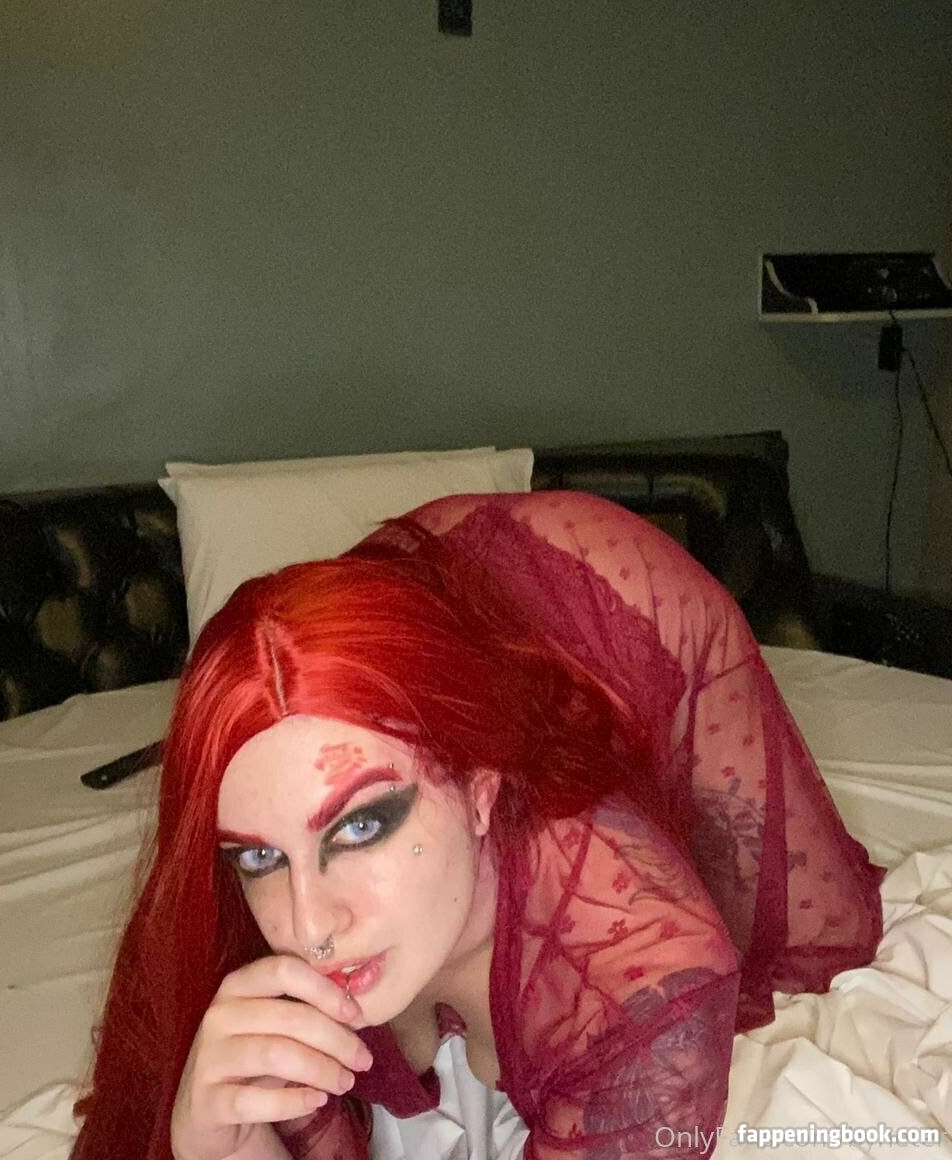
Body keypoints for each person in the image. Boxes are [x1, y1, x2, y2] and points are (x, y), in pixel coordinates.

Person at [70, 490, 885, 1160]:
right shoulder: (275, 851)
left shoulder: (645, 975)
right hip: (430, 598)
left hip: (625, 595)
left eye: (360, 829)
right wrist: (224, 1149)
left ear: (482, 788)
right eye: (257, 858)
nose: (310, 929)